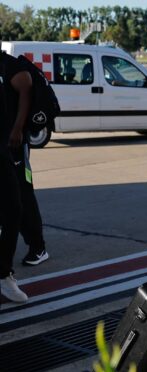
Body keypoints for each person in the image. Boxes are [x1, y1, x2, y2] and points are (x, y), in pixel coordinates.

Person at [0, 50, 48, 267]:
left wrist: (18, 129)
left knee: (22, 194)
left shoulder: (9, 65)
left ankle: (37, 247)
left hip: (14, 145)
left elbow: (26, 91)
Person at [0, 52, 28, 304]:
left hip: (2, 152)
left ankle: (4, 274)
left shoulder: (8, 64)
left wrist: (18, 127)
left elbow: (25, 83)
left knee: (13, 209)